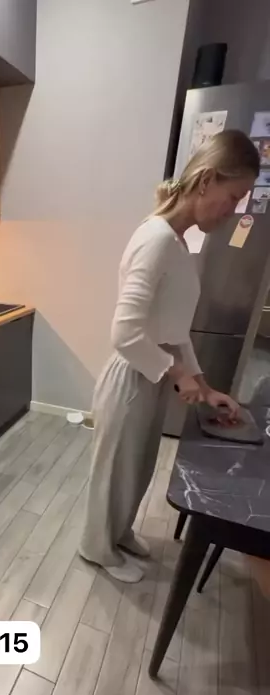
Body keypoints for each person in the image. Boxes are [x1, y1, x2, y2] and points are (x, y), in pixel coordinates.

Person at [80, 130, 260, 583]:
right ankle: (96, 548)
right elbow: (125, 334)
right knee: (115, 472)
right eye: (233, 197)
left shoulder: (177, 241)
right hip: (132, 376)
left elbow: (174, 330)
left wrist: (204, 385)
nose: (233, 210)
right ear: (207, 180)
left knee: (137, 469)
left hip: (151, 374)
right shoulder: (157, 239)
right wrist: (177, 372)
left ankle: (119, 533)